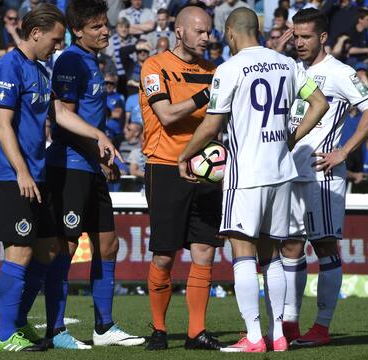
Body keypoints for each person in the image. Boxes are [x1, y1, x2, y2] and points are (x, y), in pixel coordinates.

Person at [179, 8, 328, 352]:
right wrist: (290, 139)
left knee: (242, 252)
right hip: (280, 172)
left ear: (231, 32)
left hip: (245, 174)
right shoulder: (286, 64)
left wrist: (184, 154)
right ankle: (277, 335)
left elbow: (212, 125)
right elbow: (318, 102)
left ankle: (254, 336)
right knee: (271, 253)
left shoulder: (228, 69)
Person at [0, 3, 114, 352]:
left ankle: (20, 323)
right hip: (11, 177)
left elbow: (58, 112)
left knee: (47, 249)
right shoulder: (8, 66)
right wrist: (22, 171)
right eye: (55, 40)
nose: (58, 46)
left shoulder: (40, 70)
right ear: (36, 33)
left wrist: (97, 135)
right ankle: (5, 335)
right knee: (19, 252)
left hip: (37, 176)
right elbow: (1, 125)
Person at [44, 0, 143, 349]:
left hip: (90, 166)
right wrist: (99, 145)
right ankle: (55, 331)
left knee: (108, 245)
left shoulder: (91, 59)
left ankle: (104, 328)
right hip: (70, 167)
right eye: (97, 26)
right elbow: (63, 118)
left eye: (105, 24)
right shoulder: (71, 60)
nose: (105, 31)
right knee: (66, 248)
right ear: (78, 30)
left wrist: (102, 156)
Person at [281, 8, 368, 347]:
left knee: (324, 246)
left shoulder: (340, 72)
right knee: (291, 247)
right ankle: (290, 327)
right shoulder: (291, 68)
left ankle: (322, 327)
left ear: (323, 37)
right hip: (290, 171)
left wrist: (344, 151)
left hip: (322, 174)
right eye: (296, 36)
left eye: (306, 36)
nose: (299, 43)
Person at [140, 5, 222, 351]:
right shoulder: (154, 66)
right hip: (165, 166)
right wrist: (207, 94)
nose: (207, 37)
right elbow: (168, 115)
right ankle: (159, 329)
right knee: (164, 255)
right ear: (179, 31)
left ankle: (196, 333)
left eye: (209, 31)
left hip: (206, 172)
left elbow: (217, 122)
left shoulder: (214, 69)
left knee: (204, 251)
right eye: (200, 31)